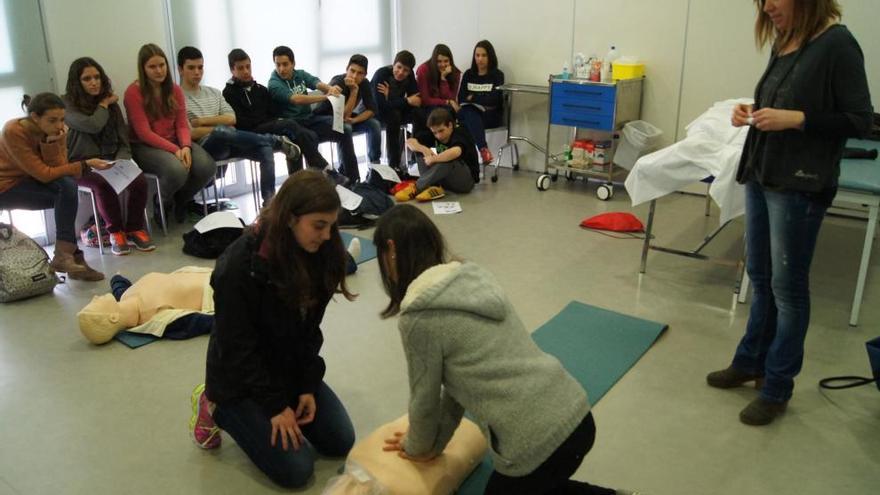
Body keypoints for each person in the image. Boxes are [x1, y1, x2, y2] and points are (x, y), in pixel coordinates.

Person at [374, 205, 626, 495]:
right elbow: (455, 390)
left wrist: (416, 447)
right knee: (544, 481)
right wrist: (434, 445)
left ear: (391, 250)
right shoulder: (472, 280)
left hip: (534, 443)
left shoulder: (418, 316)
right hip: (578, 415)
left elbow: (424, 399)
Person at [707, 0, 873, 426]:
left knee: (789, 289)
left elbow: (860, 120)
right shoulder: (784, 39)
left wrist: (795, 119)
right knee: (761, 278)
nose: (767, 7)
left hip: (799, 183)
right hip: (764, 173)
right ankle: (750, 362)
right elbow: (777, 102)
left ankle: (778, 387)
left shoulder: (837, 43)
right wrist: (751, 113)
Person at [192, 169, 357, 488]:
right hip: (240, 380)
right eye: (318, 226)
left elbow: (310, 332)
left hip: (288, 369)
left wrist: (308, 385)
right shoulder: (238, 267)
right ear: (291, 218)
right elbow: (237, 349)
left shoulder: (324, 253)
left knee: (340, 440)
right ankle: (214, 406)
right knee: (297, 471)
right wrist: (275, 407)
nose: (326, 236)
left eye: (331, 225)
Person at [0, 92, 112, 281]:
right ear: (35, 117)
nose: (60, 126)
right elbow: (44, 174)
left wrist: (56, 141)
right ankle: (69, 256)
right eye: (53, 120)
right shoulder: (13, 131)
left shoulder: (52, 131)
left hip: (27, 181)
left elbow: (58, 169)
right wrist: (86, 164)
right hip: (5, 187)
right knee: (66, 191)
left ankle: (65, 256)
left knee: (67, 188)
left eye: (62, 119)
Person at [177, 46, 300, 206]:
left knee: (265, 149)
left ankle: (269, 204)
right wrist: (219, 126)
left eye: (200, 67)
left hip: (231, 141)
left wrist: (202, 121)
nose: (197, 72)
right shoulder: (177, 97)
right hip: (206, 147)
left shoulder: (214, 92)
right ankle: (272, 140)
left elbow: (231, 118)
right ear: (180, 69)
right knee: (222, 131)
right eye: (191, 68)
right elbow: (191, 133)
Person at [64, 57, 155, 256]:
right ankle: (115, 232)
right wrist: (104, 103)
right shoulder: (67, 106)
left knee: (138, 181)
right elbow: (92, 124)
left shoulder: (113, 105)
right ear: (77, 82)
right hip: (83, 163)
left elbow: (123, 138)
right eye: (87, 79)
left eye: (97, 77)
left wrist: (121, 160)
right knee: (103, 184)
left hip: (111, 158)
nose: (94, 82)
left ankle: (134, 228)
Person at [123, 43, 215, 223]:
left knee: (207, 167)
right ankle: (162, 202)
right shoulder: (133, 93)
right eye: (152, 66)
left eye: (162, 65)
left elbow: (181, 124)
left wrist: (186, 147)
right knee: (177, 170)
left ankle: (182, 199)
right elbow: (144, 133)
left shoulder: (175, 90)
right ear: (143, 69)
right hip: (145, 146)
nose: (159, 70)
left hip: (176, 141)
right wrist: (175, 150)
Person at [222, 48, 329, 176]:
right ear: (232, 70)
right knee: (290, 126)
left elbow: (272, 112)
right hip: (249, 133)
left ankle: (305, 182)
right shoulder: (229, 93)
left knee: (305, 136)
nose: (246, 71)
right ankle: (324, 169)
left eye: (248, 66)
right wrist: (264, 120)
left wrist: (330, 89)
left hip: (268, 126)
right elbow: (240, 121)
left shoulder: (260, 89)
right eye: (240, 68)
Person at [267, 46, 359, 184]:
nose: (281, 69)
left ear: (293, 64)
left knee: (344, 128)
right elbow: (296, 99)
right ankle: (314, 184)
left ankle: (352, 180)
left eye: (285, 64)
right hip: (291, 126)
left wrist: (331, 89)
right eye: (278, 64)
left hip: (309, 119)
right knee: (308, 139)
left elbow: (316, 83)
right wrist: (326, 97)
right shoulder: (273, 83)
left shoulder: (300, 74)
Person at [77, 266, 215, 345]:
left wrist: (116, 278)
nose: (94, 297)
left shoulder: (125, 297)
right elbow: (198, 322)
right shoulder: (157, 319)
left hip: (204, 272)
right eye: (94, 305)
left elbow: (119, 288)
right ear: (113, 317)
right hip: (221, 287)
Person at [397, 107, 477, 202]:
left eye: (441, 131)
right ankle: (433, 187)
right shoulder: (434, 133)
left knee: (448, 159)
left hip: (465, 182)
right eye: (435, 132)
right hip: (445, 180)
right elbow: (410, 142)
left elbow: (456, 152)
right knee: (420, 151)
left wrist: (434, 159)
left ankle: (417, 187)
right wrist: (424, 149)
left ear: (450, 125)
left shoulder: (460, 131)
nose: (438, 136)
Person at [316, 54, 381, 166]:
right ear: (347, 69)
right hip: (324, 119)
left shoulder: (364, 83)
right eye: (352, 71)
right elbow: (342, 118)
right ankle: (345, 169)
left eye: (360, 73)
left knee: (374, 124)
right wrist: (354, 91)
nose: (354, 76)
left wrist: (355, 120)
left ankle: (375, 165)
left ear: (365, 75)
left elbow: (372, 110)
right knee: (345, 127)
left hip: (344, 117)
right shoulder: (338, 82)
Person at [370, 50, 421, 175]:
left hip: (395, 108)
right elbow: (380, 105)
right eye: (398, 67)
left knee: (419, 113)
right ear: (393, 64)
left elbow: (416, 99)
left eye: (406, 70)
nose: (401, 72)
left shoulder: (409, 76)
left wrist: (391, 98)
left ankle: (417, 158)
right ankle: (394, 165)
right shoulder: (381, 75)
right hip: (375, 112)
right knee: (394, 116)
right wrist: (405, 100)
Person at [458, 40, 505, 165]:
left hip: (490, 116)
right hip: (470, 113)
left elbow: (494, 99)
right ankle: (483, 149)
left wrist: (472, 97)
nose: (480, 59)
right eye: (477, 55)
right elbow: (461, 98)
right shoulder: (469, 74)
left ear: (490, 57)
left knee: (467, 116)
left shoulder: (497, 75)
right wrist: (482, 99)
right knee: (468, 112)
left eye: (484, 55)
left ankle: (467, 158)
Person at [414, 44, 461, 136]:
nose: (443, 65)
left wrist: (443, 79)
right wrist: (447, 101)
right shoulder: (423, 70)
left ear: (450, 61)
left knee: (449, 111)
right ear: (434, 60)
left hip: (443, 107)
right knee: (442, 112)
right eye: (439, 61)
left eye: (446, 61)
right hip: (427, 107)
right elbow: (425, 100)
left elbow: (451, 97)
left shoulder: (455, 73)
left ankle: (449, 145)